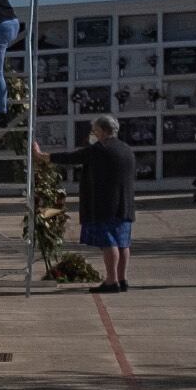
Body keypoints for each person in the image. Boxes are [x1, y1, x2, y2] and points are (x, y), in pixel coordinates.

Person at [75, 114, 138, 292]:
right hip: (124, 204)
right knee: (123, 242)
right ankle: (122, 279)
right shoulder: (126, 149)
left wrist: (45, 157)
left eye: (94, 130)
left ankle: (111, 281)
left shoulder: (100, 149)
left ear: (102, 131)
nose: (92, 134)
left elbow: (74, 157)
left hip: (104, 205)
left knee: (109, 243)